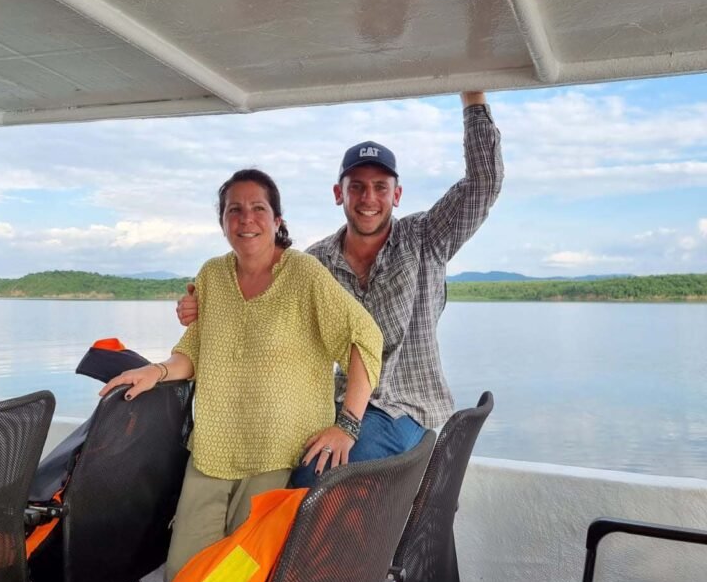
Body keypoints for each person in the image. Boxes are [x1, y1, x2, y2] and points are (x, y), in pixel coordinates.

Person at [177, 92, 503, 486]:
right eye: (357, 187)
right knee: (274, 463)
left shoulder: (427, 238)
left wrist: (472, 98)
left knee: (309, 480)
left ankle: (309, 548)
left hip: (403, 409)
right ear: (339, 194)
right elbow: (257, 283)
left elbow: (483, 183)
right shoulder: (315, 263)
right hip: (336, 406)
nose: (369, 198)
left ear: (396, 195)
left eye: (380, 187)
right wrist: (203, 304)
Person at [103, 169, 382, 581]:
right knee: (182, 574)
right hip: (213, 450)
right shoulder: (212, 276)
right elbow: (194, 352)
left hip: (279, 452)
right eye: (234, 210)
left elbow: (365, 338)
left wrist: (348, 424)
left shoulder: (304, 274)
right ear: (222, 223)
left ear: (277, 221)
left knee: (236, 579)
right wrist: (155, 371)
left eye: (258, 208)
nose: (246, 219)